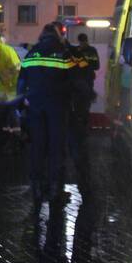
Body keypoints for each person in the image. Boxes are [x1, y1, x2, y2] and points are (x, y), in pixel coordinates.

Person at [17, 23, 75, 210]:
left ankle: (37, 189)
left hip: (36, 108)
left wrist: (22, 105)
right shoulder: (64, 52)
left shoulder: (32, 53)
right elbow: (74, 81)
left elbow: (21, 82)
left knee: (38, 147)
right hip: (58, 108)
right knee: (57, 149)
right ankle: (55, 190)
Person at [67, 32, 99, 194]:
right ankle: (80, 126)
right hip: (82, 83)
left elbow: (95, 65)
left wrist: (85, 62)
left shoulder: (91, 51)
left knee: (84, 106)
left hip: (87, 82)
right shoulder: (78, 51)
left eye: (83, 41)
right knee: (80, 106)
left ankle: (83, 126)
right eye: (81, 42)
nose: (82, 44)